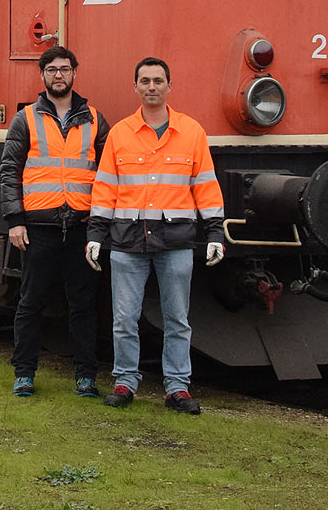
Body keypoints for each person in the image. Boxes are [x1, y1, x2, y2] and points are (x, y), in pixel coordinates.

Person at [86, 57, 225, 414]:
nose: (151, 86)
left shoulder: (192, 132)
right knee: (123, 319)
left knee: (177, 319)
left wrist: (215, 233)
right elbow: (105, 189)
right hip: (128, 241)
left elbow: (205, 186)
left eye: (158, 80)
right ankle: (124, 381)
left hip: (174, 242)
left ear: (169, 86)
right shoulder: (119, 134)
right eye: (145, 80)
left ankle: (178, 387)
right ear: (135, 87)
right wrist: (96, 235)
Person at [0, 46, 109, 398]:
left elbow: (108, 173)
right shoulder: (26, 119)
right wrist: (15, 220)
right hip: (38, 228)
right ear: (43, 75)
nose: (58, 75)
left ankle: (86, 376)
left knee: (83, 305)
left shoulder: (95, 120)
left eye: (64, 69)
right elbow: (9, 172)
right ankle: (24, 374)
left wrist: (101, 222)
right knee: (30, 302)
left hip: (81, 226)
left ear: (75, 73)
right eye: (51, 70)